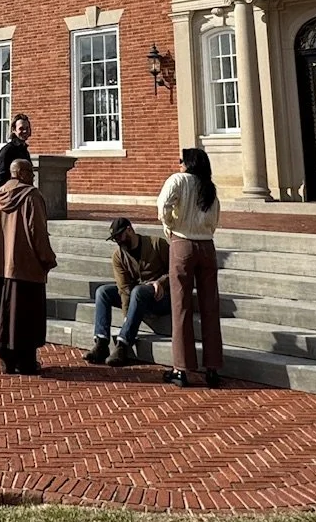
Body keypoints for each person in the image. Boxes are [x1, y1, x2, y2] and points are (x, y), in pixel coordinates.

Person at [0, 156, 57, 375]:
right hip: (25, 268)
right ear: (21, 173)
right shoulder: (32, 196)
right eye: (31, 172)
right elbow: (38, 233)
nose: (33, 176)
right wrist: (47, 259)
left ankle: (6, 361)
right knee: (25, 317)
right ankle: (25, 363)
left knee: (0, 316)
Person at [157, 146, 223, 387]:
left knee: (181, 305)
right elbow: (215, 218)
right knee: (210, 307)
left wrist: (171, 226)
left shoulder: (179, 180)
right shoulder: (210, 188)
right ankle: (213, 367)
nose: (179, 163)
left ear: (189, 163)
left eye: (181, 159)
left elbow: (163, 205)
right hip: (207, 247)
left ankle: (181, 368)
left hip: (183, 242)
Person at [85, 217, 171, 366]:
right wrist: (127, 317)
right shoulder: (118, 256)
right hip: (136, 298)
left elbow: (178, 272)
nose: (118, 241)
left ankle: (123, 345)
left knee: (138, 291)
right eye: (115, 238)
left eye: (119, 236)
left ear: (129, 230)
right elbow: (124, 289)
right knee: (102, 292)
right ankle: (101, 343)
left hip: (162, 298)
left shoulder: (157, 244)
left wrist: (161, 282)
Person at [0, 112, 33, 190]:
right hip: (12, 196)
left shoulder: (24, 150)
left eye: (27, 128)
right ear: (14, 130)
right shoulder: (7, 150)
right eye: (21, 128)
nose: (25, 131)